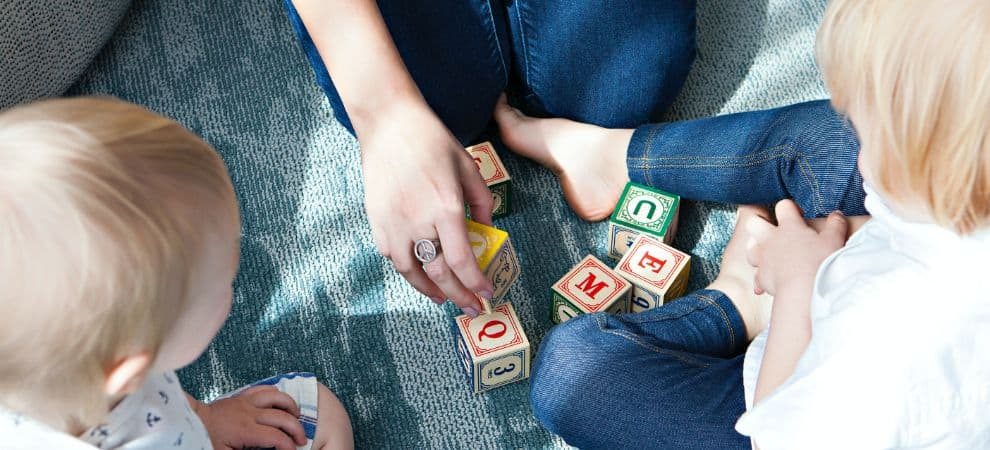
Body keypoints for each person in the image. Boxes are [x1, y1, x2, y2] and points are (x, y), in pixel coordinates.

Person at [502, 0, 990, 447]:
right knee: (826, 142)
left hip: (796, 401)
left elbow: (779, 432)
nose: (852, 124)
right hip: (880, 299)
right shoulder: (964, 172)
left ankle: (738, 302)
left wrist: (800, 284)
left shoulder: (884, 344)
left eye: (866, 125)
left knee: (573, 371)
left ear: (924, 157)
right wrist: (863, 231)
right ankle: (613, 156)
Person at [0, 97, 354, 450]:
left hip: (183, 427)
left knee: (318, 411)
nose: (235, 276)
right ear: (131, 371)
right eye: (222, 283)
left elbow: (156, 386)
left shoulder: (101, 358)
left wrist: (206, 418)